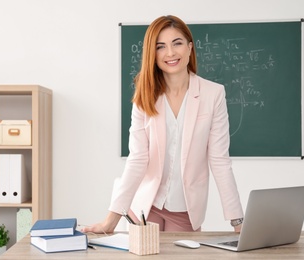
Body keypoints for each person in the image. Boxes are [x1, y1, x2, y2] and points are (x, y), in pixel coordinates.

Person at [82, 15, 244, 233]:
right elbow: (137, 159)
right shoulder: (144, 95)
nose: (170, 53)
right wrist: (110, 221)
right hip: (143, 209)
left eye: (177, 43)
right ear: (153, 54)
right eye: (160, 47)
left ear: (189, 47)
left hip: (185, 211)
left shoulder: (213, 94)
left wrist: (237, 222)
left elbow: (219, 160)